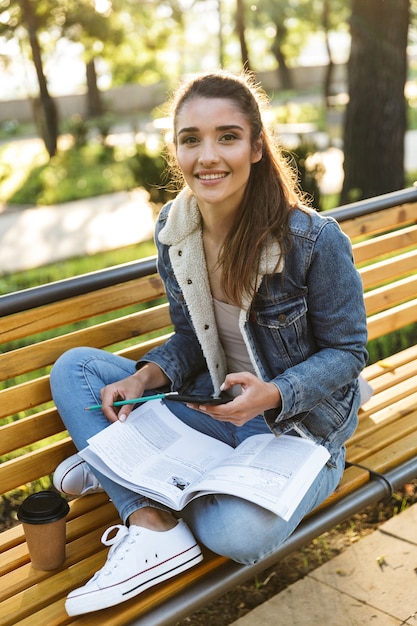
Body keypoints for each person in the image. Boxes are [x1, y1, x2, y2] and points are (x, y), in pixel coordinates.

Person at [50, 69, 368, 616]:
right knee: (75, 368)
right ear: (176, 151)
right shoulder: (175, 230)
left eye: (227, 136)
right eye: (191, 139)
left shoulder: (312, 240)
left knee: (238, 534)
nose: (208, 155)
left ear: (256, 147)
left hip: (300, 427)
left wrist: (270, 395)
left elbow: (348, 352)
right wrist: (144, 378)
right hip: (215, 408)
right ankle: (147, 518)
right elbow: (190, 339)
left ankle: (118, 468)